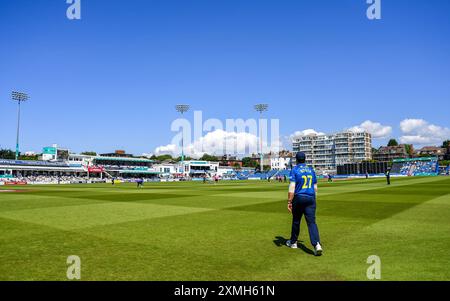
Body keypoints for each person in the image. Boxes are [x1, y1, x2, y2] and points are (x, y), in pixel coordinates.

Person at [286, 152, 323, 256]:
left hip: (299, 198)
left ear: (296, 160)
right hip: (311, 198)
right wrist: (313, 199)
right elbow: (315, 187)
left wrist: (289, 201)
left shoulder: (295, 170)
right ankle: (317, 245)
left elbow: (292, 187)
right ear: (305, 159)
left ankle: (293, 242)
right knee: (312, 222)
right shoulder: (311, 170)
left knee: (296, 220)